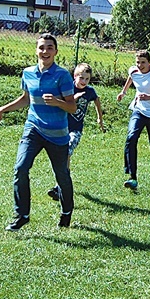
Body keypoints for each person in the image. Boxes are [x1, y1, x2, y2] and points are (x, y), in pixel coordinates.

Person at [0, 33, 76, 231]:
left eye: (49, 48)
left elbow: (72, 108)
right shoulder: (28, 73)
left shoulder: (62, 75)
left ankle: (66, 211)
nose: (45, 51)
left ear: (56, 51)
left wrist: (57, 102)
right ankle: (22, 215)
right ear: (36, 50)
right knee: (20, 168)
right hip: (33, 128)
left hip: (57, 134)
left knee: (62, 175)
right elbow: (25, 99)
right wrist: (1, 110)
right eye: (41, 47)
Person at [47, 62, 105, 201]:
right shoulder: (68, 88)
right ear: (75, 76)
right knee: (62, 156)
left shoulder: (90, 91)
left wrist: (100, 118)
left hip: (75, 130)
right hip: (61, 128)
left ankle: (59, 187)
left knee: (66, 151)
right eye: (81, 78)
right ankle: (62, 185)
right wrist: (74, 99)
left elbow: (97, 101)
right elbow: (58, 102)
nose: (84, 81)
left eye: (87, 79)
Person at [117, 50, 150, 190]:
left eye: (143, 62)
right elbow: (131, 78)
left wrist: (149, 97)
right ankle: (132, 176)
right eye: (137, 62)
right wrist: (123, 92)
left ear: (149, 63)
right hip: (138, 110)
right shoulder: (133, 71)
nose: (139, 65)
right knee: (131, 137)